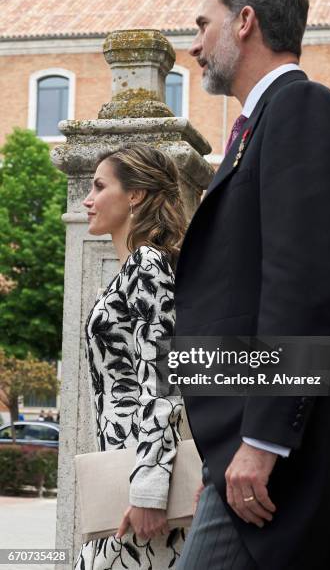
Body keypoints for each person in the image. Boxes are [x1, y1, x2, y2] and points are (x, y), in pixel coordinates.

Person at [175, 0, 330, 570]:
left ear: (245, 22)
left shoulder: (300, 108)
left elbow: (301, 288)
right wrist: (225, 455)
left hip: (285, 454)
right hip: (257, 449)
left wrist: (261, 442)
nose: (195, 44)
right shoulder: (260, 124)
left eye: (204, 25)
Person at [76, 145, 186, 570]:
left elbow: (163, 378)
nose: (87, 199)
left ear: (135, 195)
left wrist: (149, 490)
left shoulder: (148, 264)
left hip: (141, 473)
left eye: (100, 186)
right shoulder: (128, 271)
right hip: (122, 465)